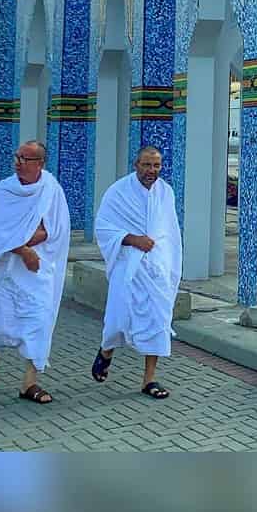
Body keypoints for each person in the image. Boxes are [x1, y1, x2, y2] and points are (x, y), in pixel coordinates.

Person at [0, 140, 70, 404]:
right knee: (1, 315)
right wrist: (23, 250)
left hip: (39, 267)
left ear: (40, 164)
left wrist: (26, 243)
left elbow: (55, 230)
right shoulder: (5, 190)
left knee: (39, 319)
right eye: (17, 157)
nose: (18, 162)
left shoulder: (51, 190)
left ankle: (30, 383)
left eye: (26, 158)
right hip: (10, 267)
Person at [91, 146, 181, 399]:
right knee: (118, 319)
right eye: (147, 165)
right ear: (136, 165)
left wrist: (168, 261)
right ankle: (106, 350)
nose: (152, 171)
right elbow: (104, 227)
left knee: (158, 320)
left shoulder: (166, 193)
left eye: (156, 166)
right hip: (128, 266)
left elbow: (169, 232)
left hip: (156, 268)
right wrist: (132, 239)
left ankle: (149, 380)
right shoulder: (118, 192)